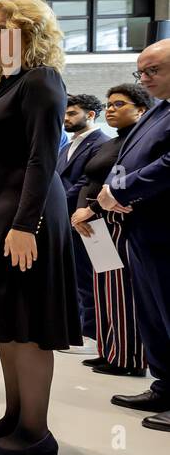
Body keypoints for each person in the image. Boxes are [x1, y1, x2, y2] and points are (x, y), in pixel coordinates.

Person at [0, 0, 80, 455]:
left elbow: (41, 156)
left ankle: (35, 431)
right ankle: (15, 417)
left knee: (27, 324)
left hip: (23, 218)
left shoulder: (41, 80)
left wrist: (24, 224)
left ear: (30, 32)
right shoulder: (3, 88)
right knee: (7, 322)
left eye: (2, 29)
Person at [99, 39, 170, 431]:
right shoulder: (157, 111)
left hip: (163, 224)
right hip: (141, 223)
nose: (144, 78)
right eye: (140, 72)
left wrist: (124, 191)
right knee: (153, 311)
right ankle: (164, 383)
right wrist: (115, 192)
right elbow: (125, 158)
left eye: (153, 71)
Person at [71, 84, 150, 378]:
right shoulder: (114, 142)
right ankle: (111, 351)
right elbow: (89, 180)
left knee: (121, 294)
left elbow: (120, 186)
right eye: (110, 104)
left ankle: (128, 357)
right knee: (104, 290)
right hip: (94, 224)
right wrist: (81, 213)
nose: (112, 109)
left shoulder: (136, 142)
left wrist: (90, 210)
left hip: (113, 222)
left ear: (141, 109)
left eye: (120, 104)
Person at [58, 93, 108, 352]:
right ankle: (77, 328)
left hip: (86, 217)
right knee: (74, 277)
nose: (66, 118)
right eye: (65, 113)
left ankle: (92, 334)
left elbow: (87, 182)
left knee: (88, 279)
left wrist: (55, 201)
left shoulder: (102, 143)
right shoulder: (67, 145)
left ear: (90, 115)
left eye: (72, 113)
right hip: (65, 218)